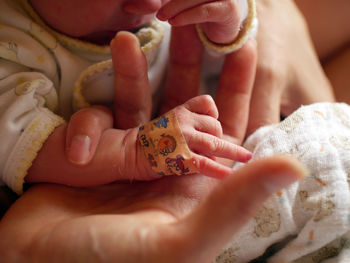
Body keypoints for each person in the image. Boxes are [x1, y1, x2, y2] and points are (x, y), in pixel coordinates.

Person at [0, 0, 257, 195]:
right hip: (76, 203)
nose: (150, 4)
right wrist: (130, 152)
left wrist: (227, 27)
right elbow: (12, 141)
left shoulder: (170, 10)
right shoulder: (12, 41)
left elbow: (225, 68)